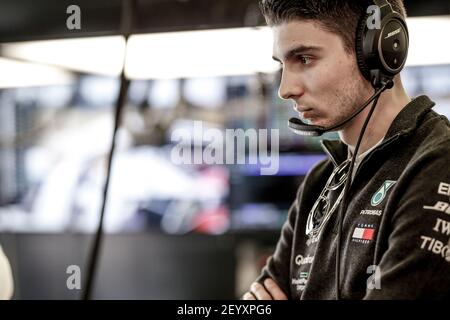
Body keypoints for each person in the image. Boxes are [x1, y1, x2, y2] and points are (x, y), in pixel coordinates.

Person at [243, 0, 450, 300]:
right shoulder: (320, 182)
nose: (285, 89)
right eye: (281, 65)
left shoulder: (437, 165)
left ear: (379, 51)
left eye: (304, 58)